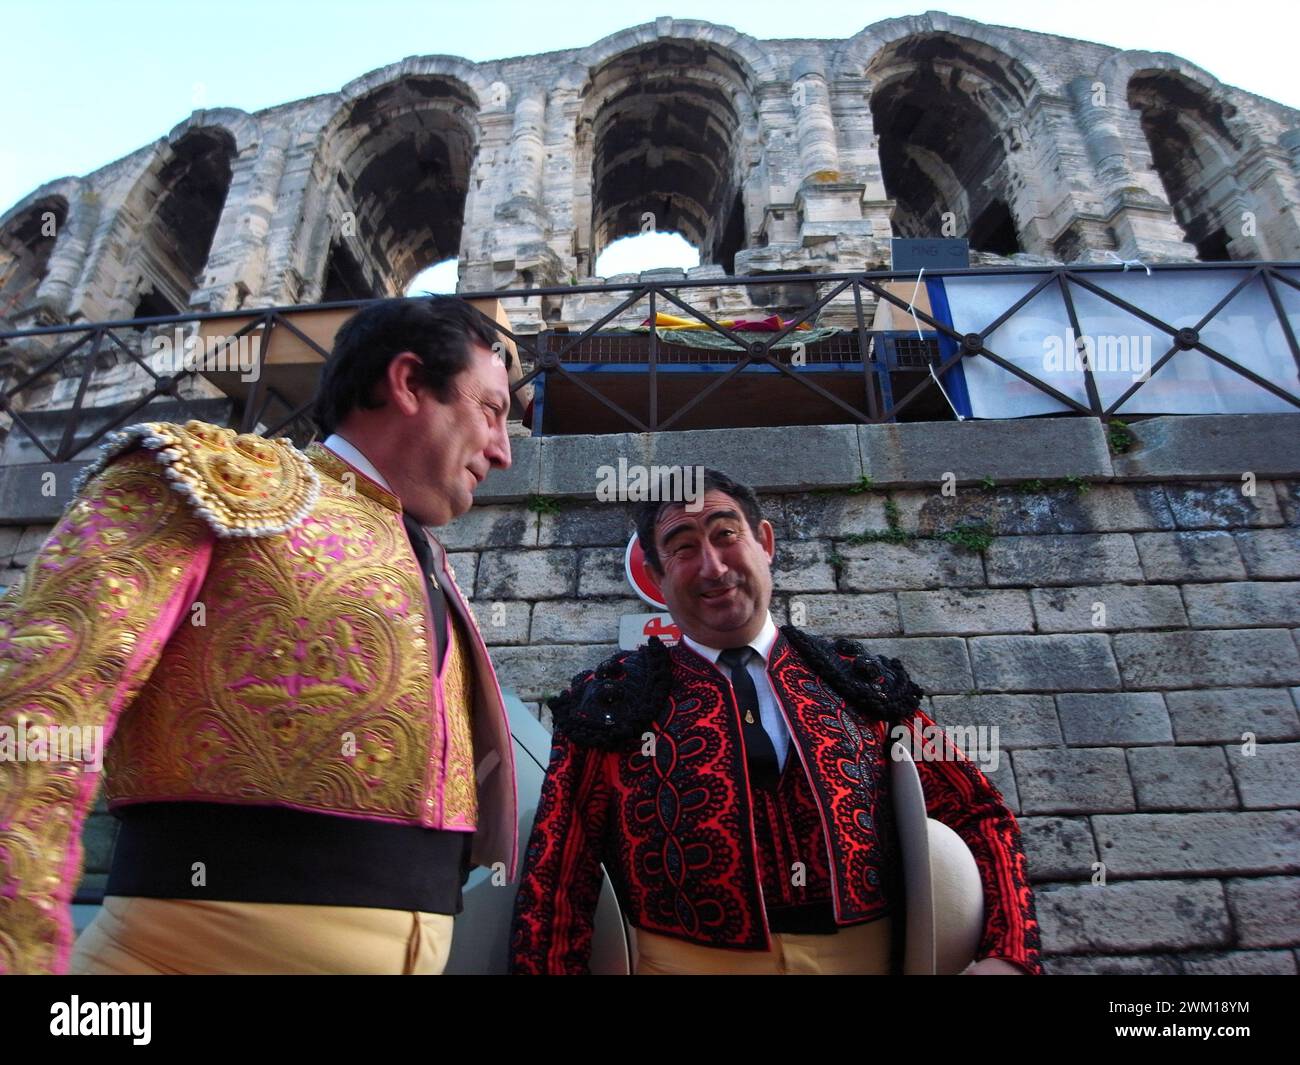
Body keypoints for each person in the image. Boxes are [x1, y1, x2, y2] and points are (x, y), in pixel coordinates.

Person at [0, 295, 518, 974]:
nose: (505, 451)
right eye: (492, 410)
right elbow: (38, 703)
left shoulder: (428, 559)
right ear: (410, 381)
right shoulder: (210, 478)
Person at [510, 468, 1041, 975]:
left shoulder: (856, 680)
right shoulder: (611, 701)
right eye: (683, 547)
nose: (713, 567)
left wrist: (1010, 951)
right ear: (655, 573)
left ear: (764, 541)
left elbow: (975, 812)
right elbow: (559, 869)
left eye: (726, 535)